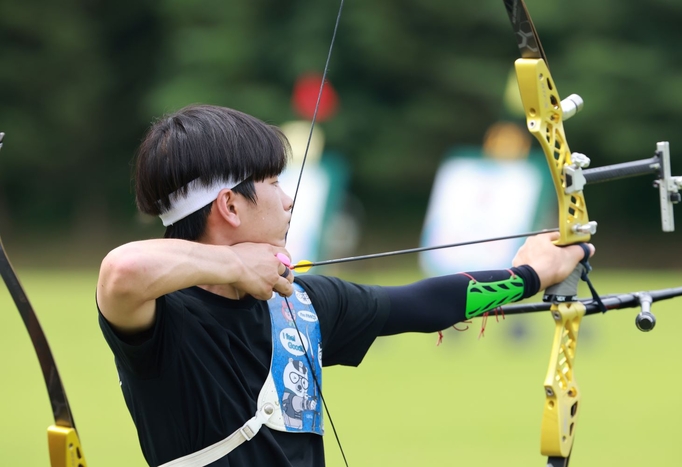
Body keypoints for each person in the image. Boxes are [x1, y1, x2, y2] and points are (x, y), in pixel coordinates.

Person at [96, 104, 593, 467]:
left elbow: (418, 304)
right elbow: (121, 271)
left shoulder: (298, 301)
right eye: (272, 183)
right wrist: (232, 267)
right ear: (229, 205)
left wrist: (527, 275)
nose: (288, 200)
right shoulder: (163, 317)